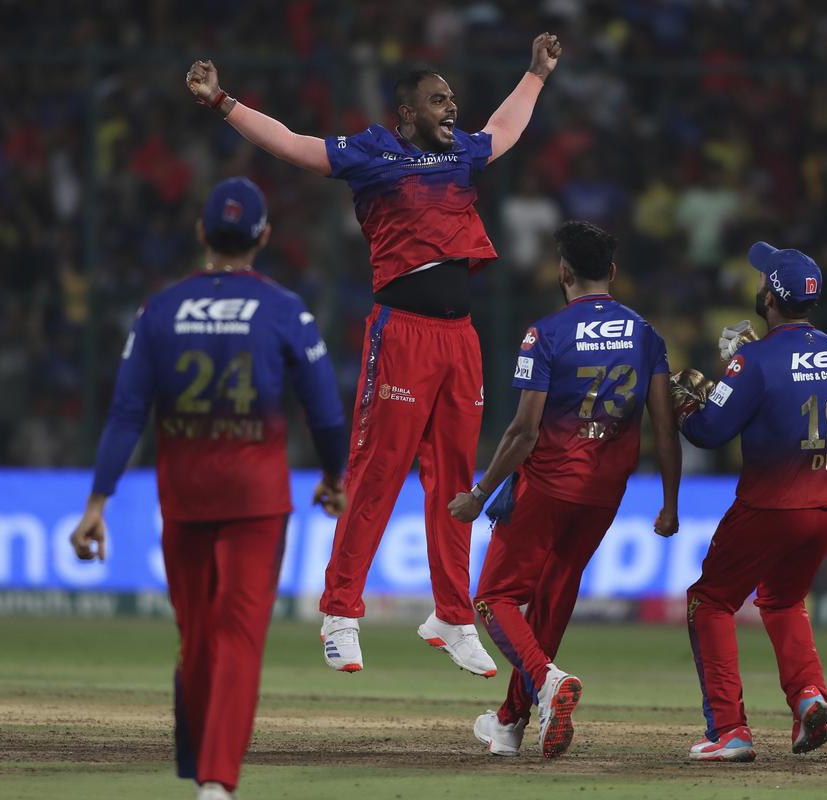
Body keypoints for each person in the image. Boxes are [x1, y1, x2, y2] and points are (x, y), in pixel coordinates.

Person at [186, 33, 563, 677]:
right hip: (404, 334)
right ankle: (339, 611)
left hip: (460, 340)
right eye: (438, 101)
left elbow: (504, 129)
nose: (452, 109)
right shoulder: (374, 152)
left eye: (452, 99)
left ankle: (451, 615)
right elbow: (296, 146)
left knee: (453, 481)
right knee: (378, 470)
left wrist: (535, 75)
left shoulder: (464, 153)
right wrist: (223, 102)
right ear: (407, 113)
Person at [69, 178, 347, 800]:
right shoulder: (284, 309)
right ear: (264, 237)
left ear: (201, 234)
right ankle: (216, 783)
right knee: (238, 637)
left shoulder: (160, 310)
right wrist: (334, 476)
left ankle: (200, 767)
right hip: (255, 501)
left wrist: (97, 503)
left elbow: (124, 414)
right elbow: (326, 414)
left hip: (185, 498)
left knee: (195, 636)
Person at [448, 221, 682, 759]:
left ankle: (547, 682)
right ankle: (509, 723)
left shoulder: (545, 334)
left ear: (564, 272)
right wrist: (670, 503)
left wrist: (481, 493)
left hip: (548, 486)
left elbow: (524, 432)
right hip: (605, 494)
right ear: (613, 273)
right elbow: (665, 428)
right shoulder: (646, 334)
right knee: (551, 599)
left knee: (494, 598)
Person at [670, 242, 827, 762]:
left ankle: (729, 730)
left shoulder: (754, 360)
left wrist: (692, 398)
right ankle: (808, 697)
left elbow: (708, 432)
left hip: (772, 505)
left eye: (762, 280)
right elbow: (790, 395)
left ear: (770, 296)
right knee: (782, 600)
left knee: (710, 601)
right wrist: (743, 368)